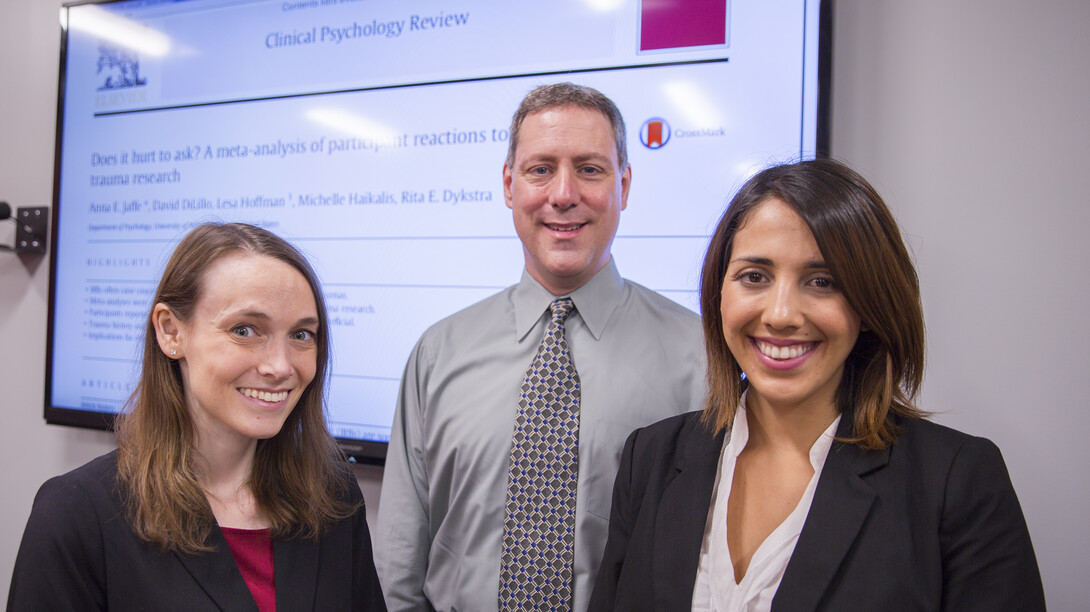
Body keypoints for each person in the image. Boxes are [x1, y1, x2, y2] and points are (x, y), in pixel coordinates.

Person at [589, 159, 1046, 611]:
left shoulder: (957, 481)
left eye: (823, 282)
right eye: (754, 277)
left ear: (870, 306)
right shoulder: (650, 458)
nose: (781, 314)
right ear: (719, 293)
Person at [375, 82, 706, 611]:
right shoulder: (438, 354)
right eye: (540, 169)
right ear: (510, 185)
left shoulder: (700, 358)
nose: (563, 193)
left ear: (624, 183)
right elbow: (399, 560)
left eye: (591, 169)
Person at [7, 223, 386, 611]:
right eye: (245, 330)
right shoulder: (76, 516)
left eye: (302, 335)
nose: (280, 365)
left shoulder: (333, 497)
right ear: (171, 332)